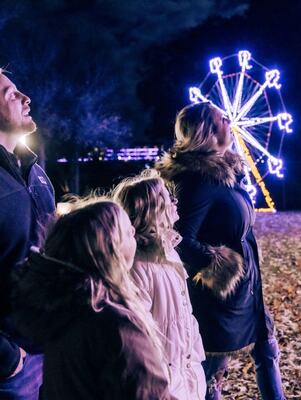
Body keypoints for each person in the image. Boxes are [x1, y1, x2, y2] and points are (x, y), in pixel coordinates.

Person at [156, 102, 286, 400]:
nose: (230, 121)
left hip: (250, 286)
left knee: (267, 350)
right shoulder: (198, 179)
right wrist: (220, 265)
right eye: (223, 118)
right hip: (219, 294)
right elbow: (178, 237)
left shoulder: (228, 173)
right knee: (213, 370)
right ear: (207, 131)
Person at [11, 198, 172, 400]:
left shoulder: (62, 309)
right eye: (128, 232)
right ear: (111, 250)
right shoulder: (116, 326)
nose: (134, 233)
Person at [112, 170, 207, 400]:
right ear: (151, 211)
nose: (175, 203)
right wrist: (161, 382)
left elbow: (186, 316)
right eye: (168, 198)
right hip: (164, 383)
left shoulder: (169, 254)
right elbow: (136, 339)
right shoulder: (137, 269)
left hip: (185, 376)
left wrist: (195, 361)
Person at [0, 69, 55, 399]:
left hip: (50, 345)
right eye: (9, 94)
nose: (25, 98)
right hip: (13, 368)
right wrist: (6, 358)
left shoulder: (35, 173)